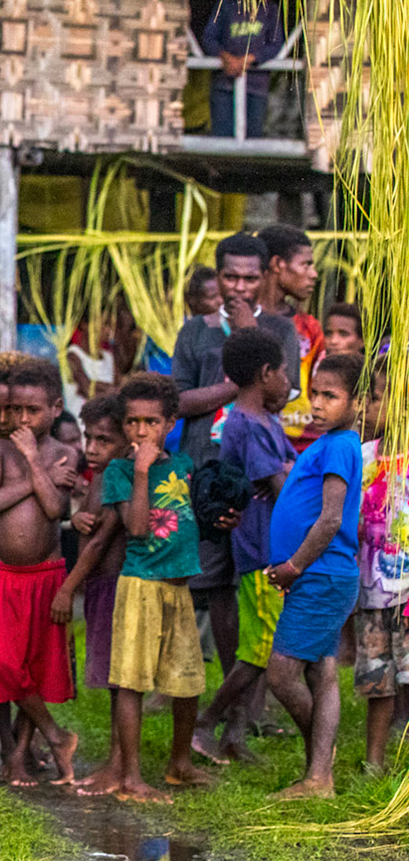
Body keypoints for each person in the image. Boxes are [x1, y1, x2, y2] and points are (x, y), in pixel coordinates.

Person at [170, 233, 299, 685]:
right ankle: (230, 685)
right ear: (218, 275)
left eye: (249, 277)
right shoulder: (195, 329)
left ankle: (258, 693)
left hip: (259, 481)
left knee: (259, 580)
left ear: (265, 277)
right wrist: (234, 386)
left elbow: (280, 399)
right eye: (230, 276)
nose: (239, 287)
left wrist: (249, 334)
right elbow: (179, 401)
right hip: (207, 475)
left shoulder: (280, 331)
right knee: (214, 584)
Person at [75, 373, 209, 803]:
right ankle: (131, 776)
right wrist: (140, 470)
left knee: (186, 683)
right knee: (131, 683)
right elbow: (135, 528)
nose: (140, 431)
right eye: (132, 422)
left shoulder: (183, 465)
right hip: (139, 586)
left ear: (170, 423)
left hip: (178, 586)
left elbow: (189, 520)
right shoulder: (118, 471)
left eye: (151, 422)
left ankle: (180, 763)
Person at [263, 352, 365, 798]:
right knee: (321, 672)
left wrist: (292, 566)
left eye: (331, 396)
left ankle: (321, 763)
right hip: (319, 575)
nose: (318, 404)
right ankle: (319, 773)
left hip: (320, 575)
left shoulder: (341, 445)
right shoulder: (326, 444)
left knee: (282, 674)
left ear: (357, 401)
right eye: (315, 394)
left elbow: (329, 520)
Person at [192, 328, 295, 766]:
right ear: (266, 373)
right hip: (262, 551)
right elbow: (281, 481)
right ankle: (204, 723)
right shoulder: (244, 425)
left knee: (257, 646)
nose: (290, 379)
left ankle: (234, 735)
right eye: (285, 370)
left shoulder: (265, 420)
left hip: (270, 544)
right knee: (259, 652)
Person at [0, 361, 81, 786]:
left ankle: (20, 755)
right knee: (4, 666)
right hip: (6, 575)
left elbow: (56, 510)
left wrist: (35, 462)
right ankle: (57, 736)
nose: (21, 420)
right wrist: (30, 470)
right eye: (15, 410)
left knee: (34, 669)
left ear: (55, 408)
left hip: (47, 575)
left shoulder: (65, 454)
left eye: (32, 411)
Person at [50, 394, 131, 708]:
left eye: (104, 440)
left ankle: (121, 754)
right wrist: (78, 517)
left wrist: (67, 589)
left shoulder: (116, 475)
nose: (92, 448)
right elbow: (92, 524)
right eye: (89, 438)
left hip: (114, 586)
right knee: (114, 678)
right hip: (101, 586)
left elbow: (99, 542)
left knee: (120, 678)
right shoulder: (99, 475)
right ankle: (119, 751)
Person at [356, 364, 408, 772]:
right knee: (378, 680)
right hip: (374, 592)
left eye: (375, 397)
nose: (367, 405)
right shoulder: (364, 457)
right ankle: (374, 761)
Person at [258, 225, 320, 443]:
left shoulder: (310, 328)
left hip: (303, 446)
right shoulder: (239, 320)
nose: (314, 274)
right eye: (306, 264)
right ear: (277, 264)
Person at [201, 0, 286, 139]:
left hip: (256, 87)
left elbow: (276, 45)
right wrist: (225, 57)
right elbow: (208, 38)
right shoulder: (226, 6)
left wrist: (249, 59)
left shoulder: (272, 11)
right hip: (224, 85)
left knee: (253, 140)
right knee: (222, 139)